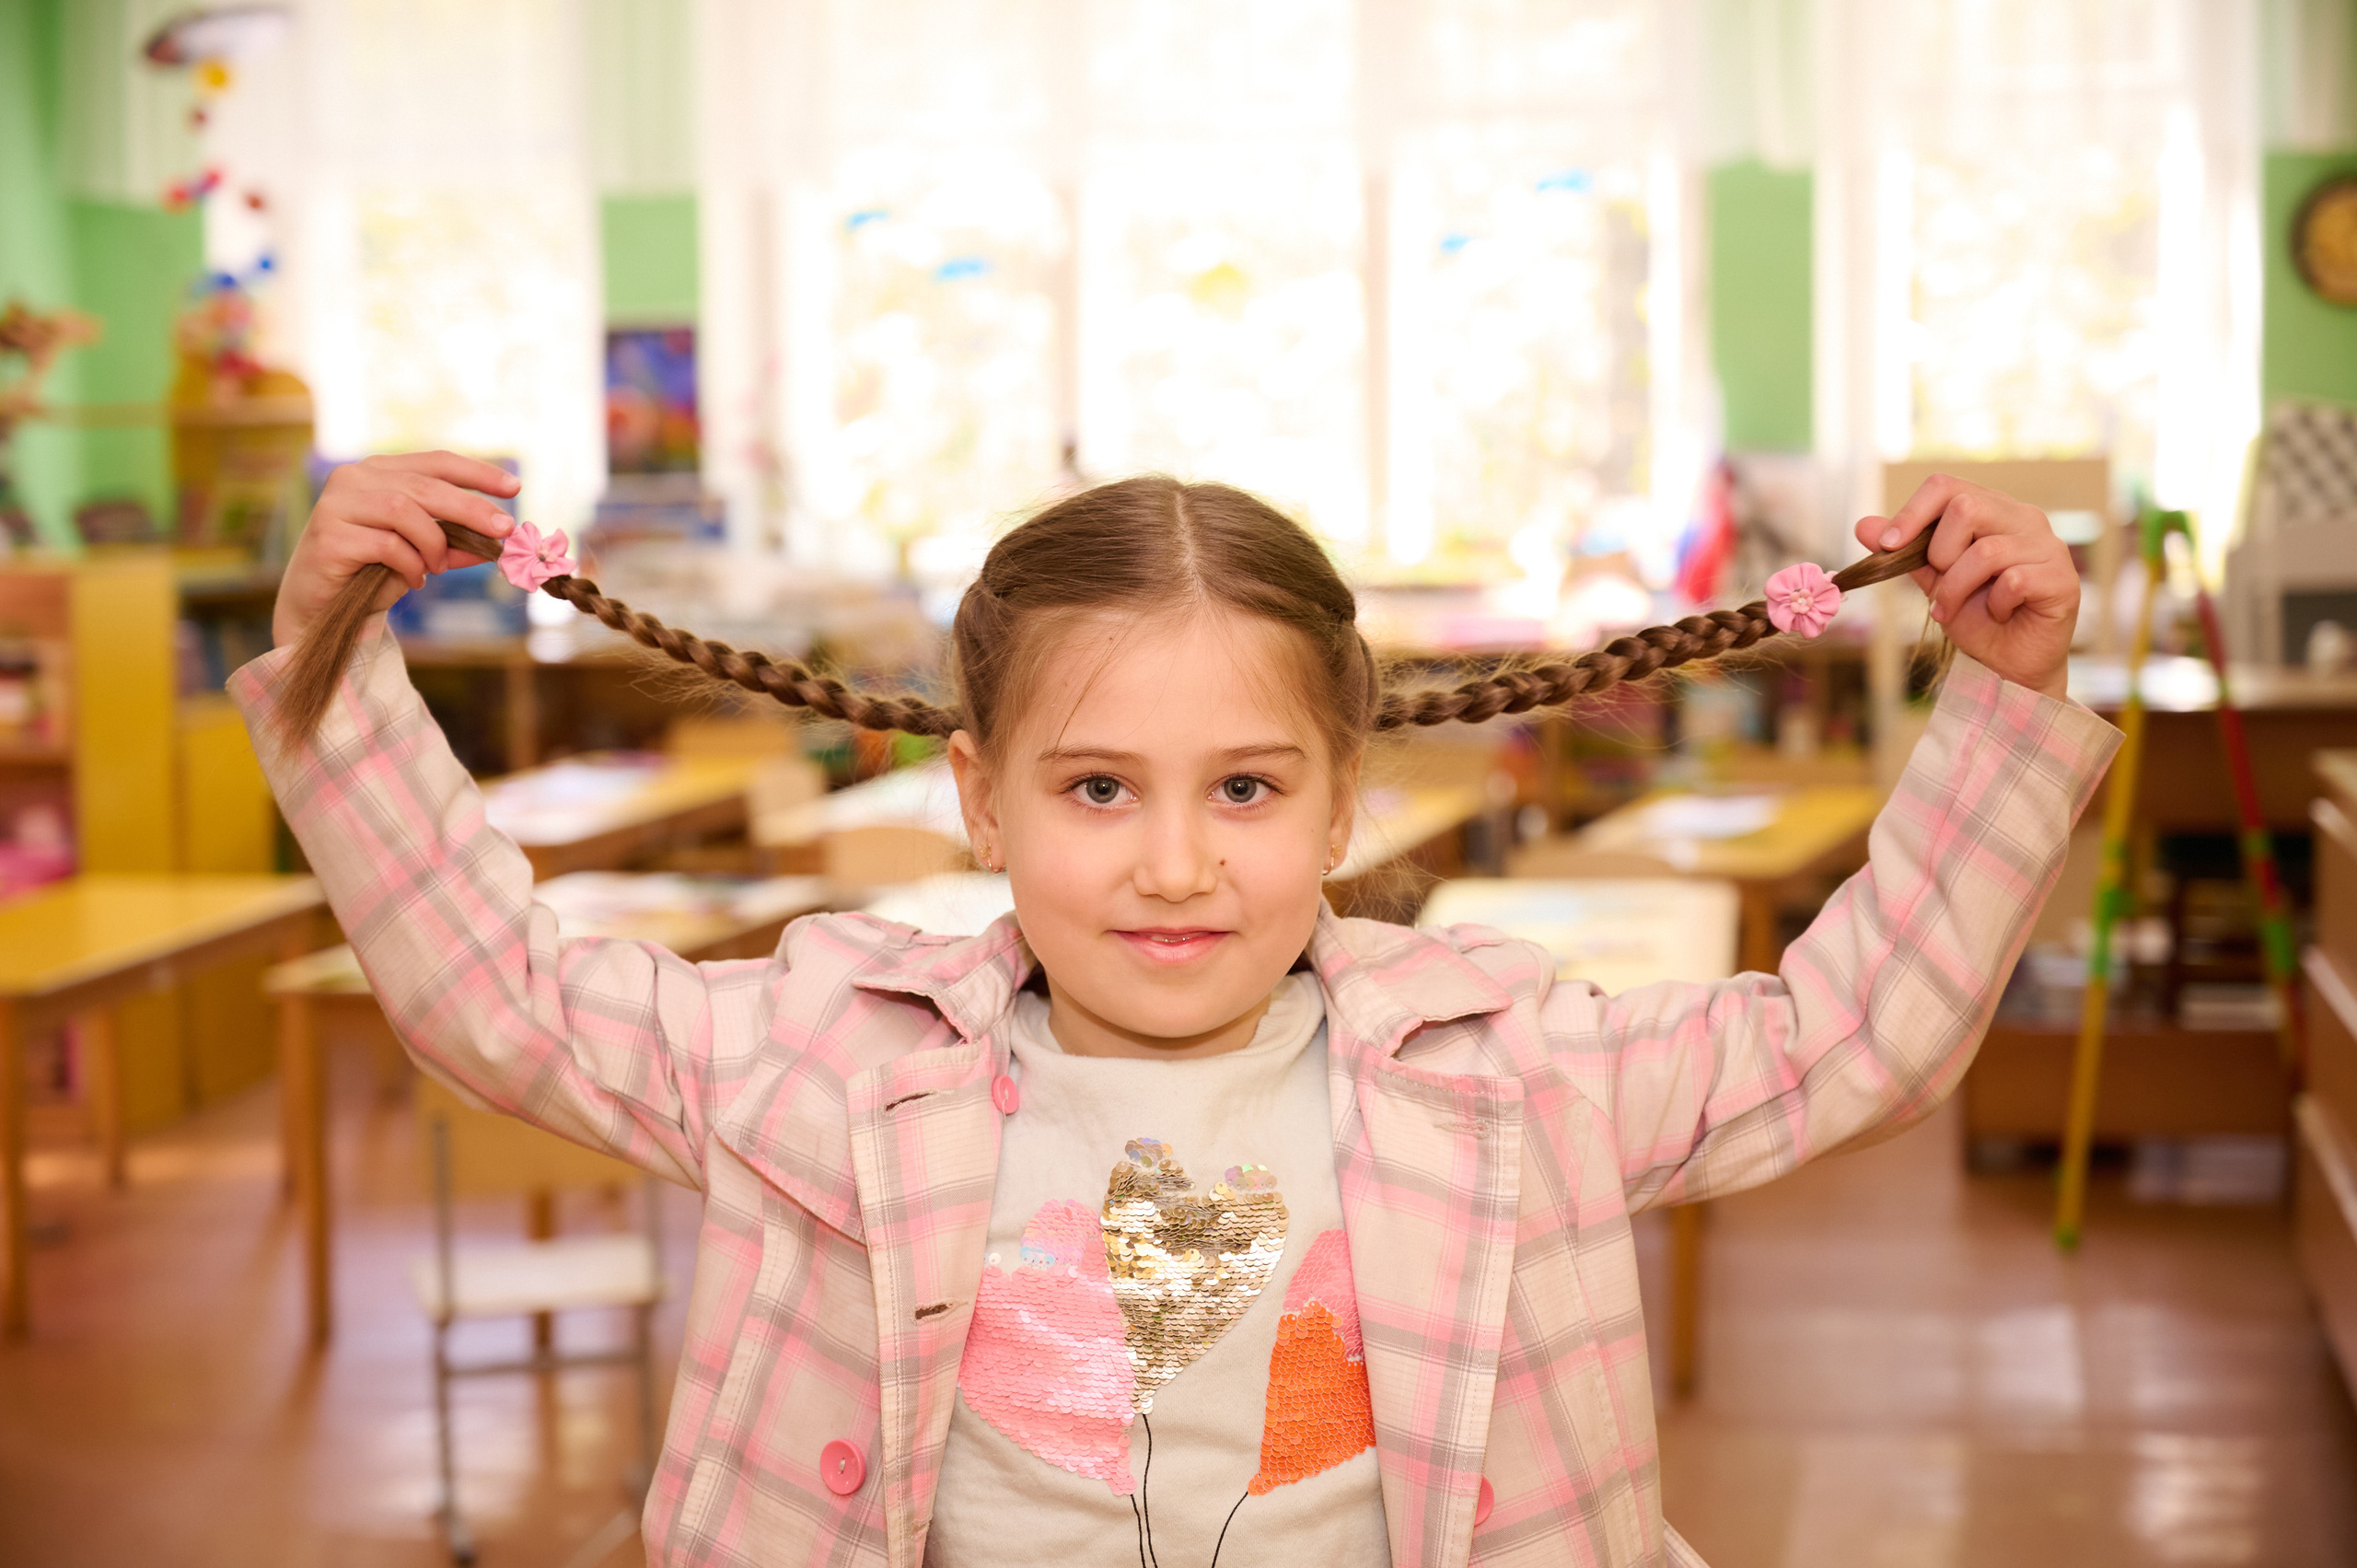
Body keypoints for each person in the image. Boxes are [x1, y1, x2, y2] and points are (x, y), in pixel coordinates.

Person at [237, 454, 2117, 1568]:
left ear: (1340, 798)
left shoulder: (1506, 1068)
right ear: (976, 798)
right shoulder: (825, 1051)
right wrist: (330, 648)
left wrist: (2004, 701)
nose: (1170, 868)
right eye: (1091, 789)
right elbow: (500, 996)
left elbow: (1846, 1040)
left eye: (1241, 789)